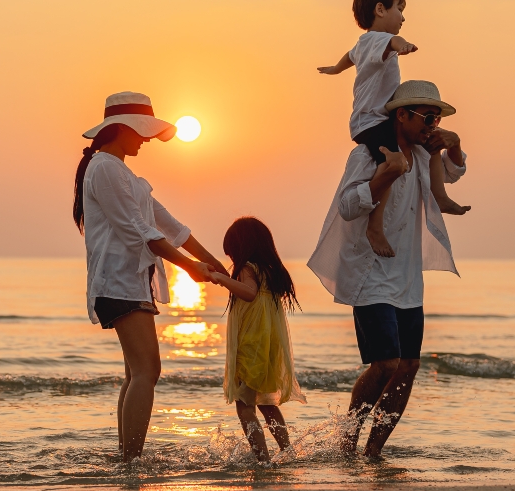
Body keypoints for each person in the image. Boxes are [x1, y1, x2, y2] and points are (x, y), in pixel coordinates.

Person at [306, 79, 467, 458]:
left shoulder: (426, 156)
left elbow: (454, 172)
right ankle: (347, 440)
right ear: (402, 115)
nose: (433, 124)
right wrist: (383, 176)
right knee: (386, 363)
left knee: (408, 365)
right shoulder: (368, 155)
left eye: (437, 117)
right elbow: (347, 206)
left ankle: (373, 451)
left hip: (409, 279)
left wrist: (455, 143)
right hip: (370, 274)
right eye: (427, 117)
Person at [74, 91, 228, 461]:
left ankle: (127, 457)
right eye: (142, 131)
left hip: (132, 281)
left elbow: (170, 225)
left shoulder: (124, 173)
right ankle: (131, 460)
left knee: (137, 374)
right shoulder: (106, 168)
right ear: (122, 128)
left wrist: (215, 263)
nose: (146, 139)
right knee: (147, 370)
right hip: (118, 282)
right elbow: (139, 231)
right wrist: (190, 268)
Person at [318, 0, 469, 258]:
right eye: (399, 8)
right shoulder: (377, 40)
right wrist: (404, 45)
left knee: (432, 144)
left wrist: (334, 69)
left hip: (375, 119)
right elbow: (393, 42)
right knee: (391, 164)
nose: (403, 16)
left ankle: (440, 196)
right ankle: (375, 226)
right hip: (372, 122)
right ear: (380, 9)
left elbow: (348, 58)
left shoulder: (362, 46)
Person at [207, 217, 306, 462]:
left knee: (244, 404)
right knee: (268, 405)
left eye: (232, 254)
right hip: (269, 347)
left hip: (251, 346)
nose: (232, 261)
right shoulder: (272, 272)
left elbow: (249, 294)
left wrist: (222, 279)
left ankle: (262, 459)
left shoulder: (247, 269)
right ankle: (287, 452)